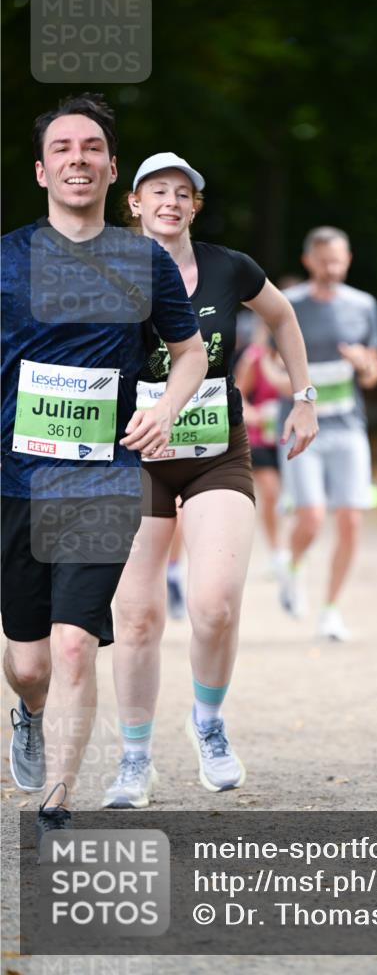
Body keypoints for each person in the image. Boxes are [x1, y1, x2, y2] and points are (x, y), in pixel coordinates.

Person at [1, 96, 208, 838]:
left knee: (72, 642)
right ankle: (28, 713)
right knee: (29, 663)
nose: (78, 158)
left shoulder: (143, 260)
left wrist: (166, 410)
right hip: (15, 479)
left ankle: (56, 795)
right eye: (63, 148)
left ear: (111, 167)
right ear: (42, 169)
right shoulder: (7, 258)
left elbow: (191, 354)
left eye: (92, 147)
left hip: (102, 478)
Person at [102, 153, 317, 808]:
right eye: (156, 192)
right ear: (133, 203)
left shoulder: (229, 268)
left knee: (214, 604)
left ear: (195, 205)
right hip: (132, 452)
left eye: (182, 192)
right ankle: (135, 759)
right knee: (136, 617)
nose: (170, 201)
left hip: (214, 451)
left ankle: (209, 725)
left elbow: (280, 317)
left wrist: (302, 396)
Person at [276, 226, 377, 641]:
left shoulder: (363, 306)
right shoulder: (291, 305)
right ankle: (292, 564)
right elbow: (270, 364)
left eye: (339, 259)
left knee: (351, 519)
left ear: (349, 259)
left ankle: (332, 610)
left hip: (349, 426)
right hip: (303, 427)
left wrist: (362, 363)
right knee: (311, 517)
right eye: (325, 260)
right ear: (309, 261)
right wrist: (293, 382)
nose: (332, 267)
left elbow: (374, 374)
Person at [235, 319, 289, 579]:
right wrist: (253, 414)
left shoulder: (300, 357)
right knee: (270, 493)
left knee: (295, 499)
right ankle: (278, 552)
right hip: (262, 439)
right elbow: (238, 394)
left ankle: (293, 548)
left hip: (292, 438)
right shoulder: (254, 358)